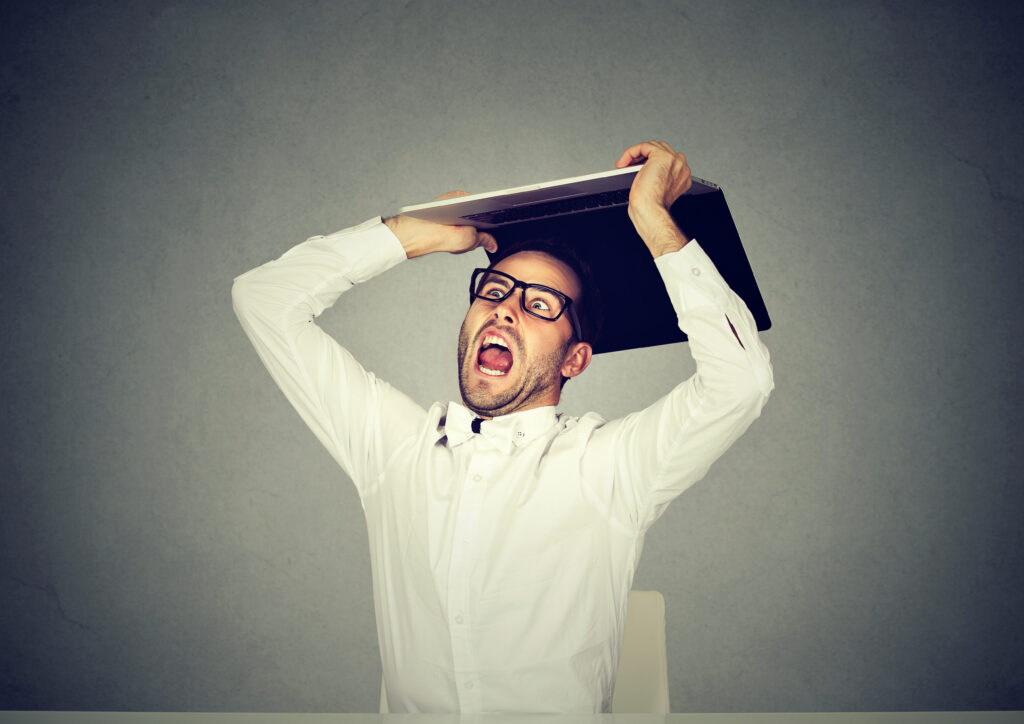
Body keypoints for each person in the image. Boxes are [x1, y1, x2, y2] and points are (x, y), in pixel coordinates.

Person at [232, 140, 773, 713]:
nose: (505, 309)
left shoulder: (610, 466)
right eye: (493, 291)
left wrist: (652, 219)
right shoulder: (393, 449)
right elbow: (263, 299)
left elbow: (740, 381)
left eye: (541, 305)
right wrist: (410, 234)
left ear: (576, 360)